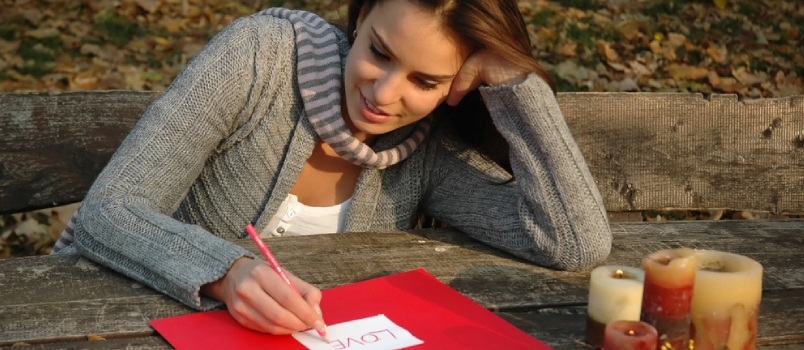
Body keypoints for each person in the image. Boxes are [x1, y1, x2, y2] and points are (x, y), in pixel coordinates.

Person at [54, 0, 612, 337]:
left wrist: (521, 87)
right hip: (124, 322)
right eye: (380, 51)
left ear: (457, 88)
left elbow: (572, 243)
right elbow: (110, 211)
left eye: (425, 81)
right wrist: (228, 274)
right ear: (363, 13)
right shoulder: (261, 57)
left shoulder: (429, 149)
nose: (384, 94)